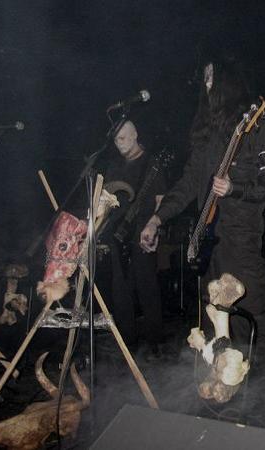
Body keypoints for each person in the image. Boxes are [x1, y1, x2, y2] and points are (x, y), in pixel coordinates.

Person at [139, 59, 265, 379]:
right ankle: (218, 390)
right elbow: (187, 183)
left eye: (211, 77)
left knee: (252, 315)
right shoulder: (207, 137)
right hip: (208, 242)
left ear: (228, 82)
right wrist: (157, 219)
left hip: (242, 240)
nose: (205, 85)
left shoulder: (259, 128)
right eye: (204, 78)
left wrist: (234, 188)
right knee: (213, 321)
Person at [103, 120, 166, 356]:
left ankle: (155, 342)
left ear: (135, 134)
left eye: (123, 138)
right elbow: (105, 198)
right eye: (116, 139)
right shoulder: (114, 165)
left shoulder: (152, 163)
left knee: (146, 283)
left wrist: (156, 229)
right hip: (116, 231)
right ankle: (126, 342)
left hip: (143, 229)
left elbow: (161, 199)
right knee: (120, 287)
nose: (119, 143)